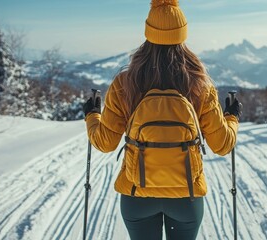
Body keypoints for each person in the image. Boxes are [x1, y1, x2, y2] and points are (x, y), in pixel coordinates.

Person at [83, 0, 241, 239]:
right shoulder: (200, 84)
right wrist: (232, 117)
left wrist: (92, 116)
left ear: (148, 33)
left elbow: (104, 142)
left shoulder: (125, 83)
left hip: (137, 194)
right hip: (185, 197)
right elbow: (223, 145)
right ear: (183, 34)